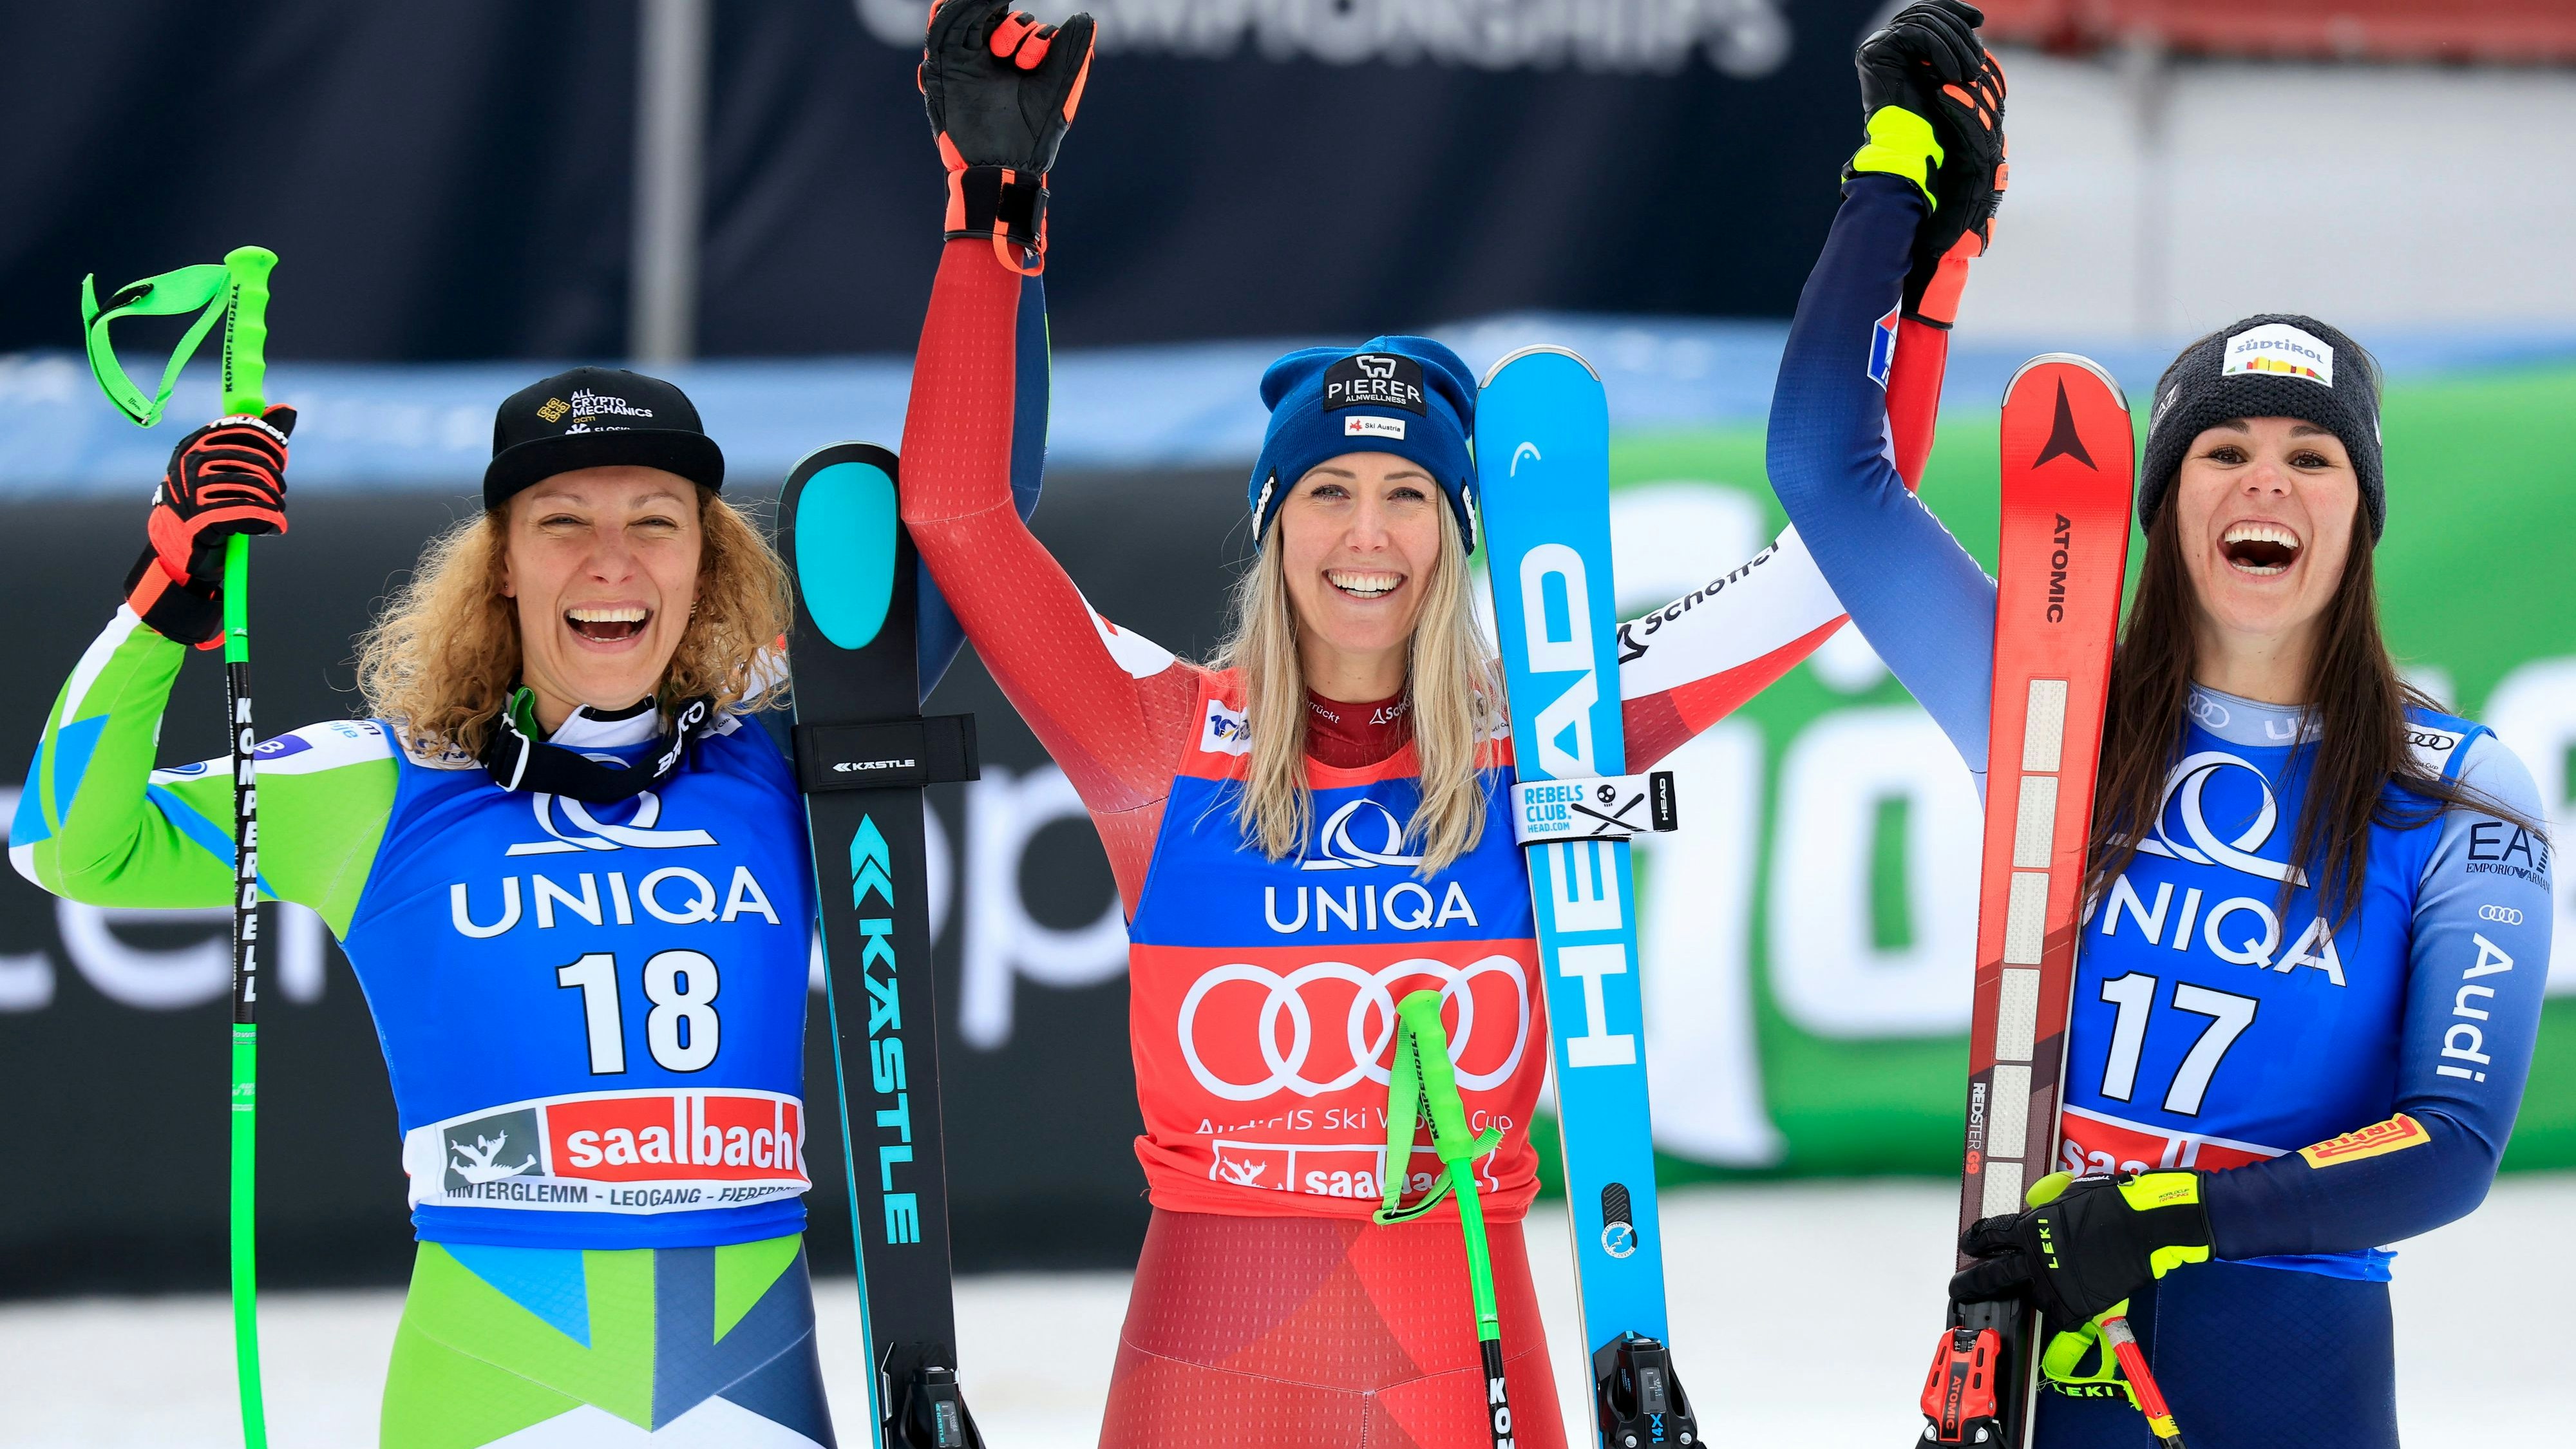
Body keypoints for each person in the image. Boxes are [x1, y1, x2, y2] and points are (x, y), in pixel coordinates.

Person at [897, 3, 1982, 1443]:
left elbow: (1846, 532)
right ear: (1270, 527)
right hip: (1209, 1371)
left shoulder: (1545, 737)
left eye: (1407, 493)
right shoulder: (1155, 738)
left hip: (1459, 1356)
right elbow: (959, 517)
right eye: (1326, 492)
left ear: (1460, 535)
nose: (1367, 533)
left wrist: (1912, 229)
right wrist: (992, 206)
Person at [12, 339, 1045, 1442]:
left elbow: (987, 510)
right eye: (563, 522)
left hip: (755, 1385)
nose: (614, 561)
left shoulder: (782, 740)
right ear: (500, 560)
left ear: (709, 559)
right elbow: (70, 844)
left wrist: (992, 221)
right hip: (497, 1383)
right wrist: (165, 596)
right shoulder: (383, 782)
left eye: (657, 520)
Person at [1766, 5, 2555, 1445]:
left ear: (2356, 521)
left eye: (2309, 459)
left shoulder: (2454, 791)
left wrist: (2162, 1214)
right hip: (2044, 1354)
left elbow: (2446, 1146)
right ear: (2165, 505)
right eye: (2222, 452)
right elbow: (1825, 471)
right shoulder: (2049, 705)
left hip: (2286, 1359)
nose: (2266, 485)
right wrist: (1904, 188)